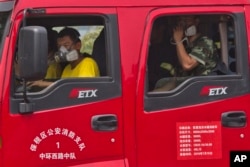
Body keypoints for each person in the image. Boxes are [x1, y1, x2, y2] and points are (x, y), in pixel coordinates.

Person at [153, 15, 218, 91]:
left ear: (196, 21)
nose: (183, 23)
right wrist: (155, 93)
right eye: (180, 20)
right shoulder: (185, 47)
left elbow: (187, 65)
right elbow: (175, 82)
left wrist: (178, 40)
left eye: (187, 19)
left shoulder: (205, 42)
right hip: (187, 91)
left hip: (200, 91)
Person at [29, 27, 100, 88]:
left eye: (66, 45)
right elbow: (64, 90)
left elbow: (81, 89)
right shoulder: (67, 68)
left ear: (78, 45)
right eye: (60, 46)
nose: (62, 50)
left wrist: (45, 84)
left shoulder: (87, 63)